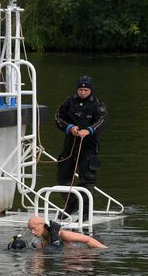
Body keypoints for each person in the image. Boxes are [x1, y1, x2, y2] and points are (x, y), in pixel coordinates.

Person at [55, 76, 108, 221]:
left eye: (86, 90)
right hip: (70, 143)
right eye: (81, 89)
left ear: (90, 90)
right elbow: (58, 117)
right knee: (62, 177)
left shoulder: (97, 104)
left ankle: (85, 213)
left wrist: (89, 130)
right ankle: (71, 204)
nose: (83, 92)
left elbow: (102, 121)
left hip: (89, 146)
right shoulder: (68, 102)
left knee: (87, 180)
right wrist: (69, 127)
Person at [27, 216, 107, 249]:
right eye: (30, 230)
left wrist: (104, 249)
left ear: (42, 225)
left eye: (34, 228)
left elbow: (88, 240)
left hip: (96, 241)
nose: (32, 232)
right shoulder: (43, 240)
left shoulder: (62, 234)